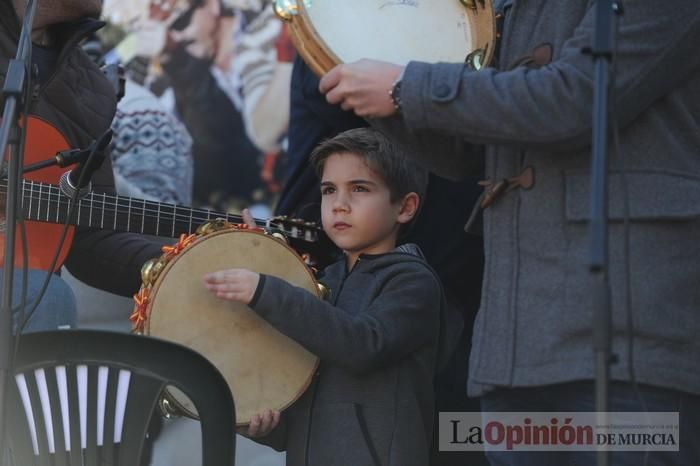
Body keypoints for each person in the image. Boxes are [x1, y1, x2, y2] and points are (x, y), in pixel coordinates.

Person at [317, 1, 700, 465]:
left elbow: (576, 99)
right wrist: (372, 85)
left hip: (629, 340)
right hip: (513, 352)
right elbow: (465, 152)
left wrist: (405, 86)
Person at [204, 128, 447, 466]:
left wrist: (266, 289)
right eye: (329, 190)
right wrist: (268, 428)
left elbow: (361, 345)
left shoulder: (412, 281)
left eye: (359, 188)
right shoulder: (322, 281)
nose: (339, 205)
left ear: (404, 207)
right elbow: (305, 406)